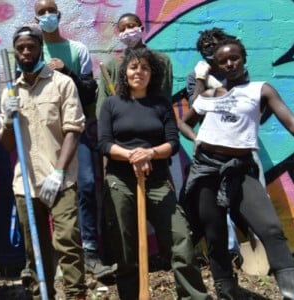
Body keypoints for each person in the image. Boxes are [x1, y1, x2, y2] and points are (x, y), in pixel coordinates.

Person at [179, 38, 294, 300]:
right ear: (216, 66)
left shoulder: (260, 90)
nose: (230, 63)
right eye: (223, 61)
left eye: (234, 58)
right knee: (215, 235)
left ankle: (292, 295)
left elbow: (291, 122)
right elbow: (184, 123)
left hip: (239, 169)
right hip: (206, 169)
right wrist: (196, 139)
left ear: (243, 59)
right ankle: (228, 293)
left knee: (271, 229)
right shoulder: (208, 96)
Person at [98, 47, 209, 299]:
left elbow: (173, 143)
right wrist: (131, 156)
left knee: (180, 240)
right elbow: (104, 144)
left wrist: (149, 154)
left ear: (152, 73)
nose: (139, 72)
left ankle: (193, 296)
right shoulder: (111, 104)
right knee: (126, 249)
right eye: (133, 67)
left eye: (145, 68)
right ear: (125, 72)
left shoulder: (161, 105)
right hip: (120, 182)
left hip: (158, 181)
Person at [0, 24, 87, 300]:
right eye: (20, 48)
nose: (26, 52)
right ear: (14, 52)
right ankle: (42, 295)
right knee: (34, 248)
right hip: (26, 184)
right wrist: (6, 119)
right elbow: (8, 144)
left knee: (68, 242)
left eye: (31, 47)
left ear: (40, 49)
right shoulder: (11, 92)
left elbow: (74, 130)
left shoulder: (62, 83)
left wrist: (59, 172)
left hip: (61, 180)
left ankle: (75, 295)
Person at [33, 0, 112, 279]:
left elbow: (90, 92)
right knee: (39, 192)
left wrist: (66, 71)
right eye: (41, 13)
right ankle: (47, 258)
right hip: (40, 135)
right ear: (35, 18)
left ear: (59, 15)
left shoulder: (77, 49)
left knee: (86, 186)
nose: (46, 16)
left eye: (50, 11)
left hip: (75, 130)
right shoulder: (30, 48)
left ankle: (89, 252)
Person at [184, 28, 245, 270]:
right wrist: (201, 80)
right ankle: (228, 255)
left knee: (251, 197)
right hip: (212, 149)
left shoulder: (236, 71)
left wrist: (217, 84)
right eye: (206, 47)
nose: (211, 49)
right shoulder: (196, 76)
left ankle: (260, 248)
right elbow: (196, 108)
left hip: (241, 147)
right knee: (214, 203)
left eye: (215, 44)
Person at [96, 12, 173, 116]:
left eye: (131, 26)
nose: (127, 31)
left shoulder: (162, 61)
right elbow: (102, 102)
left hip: (153, 123)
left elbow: (165, 96)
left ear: (141, 28)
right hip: (120, 126)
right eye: (122, 29)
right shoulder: (111, 66)